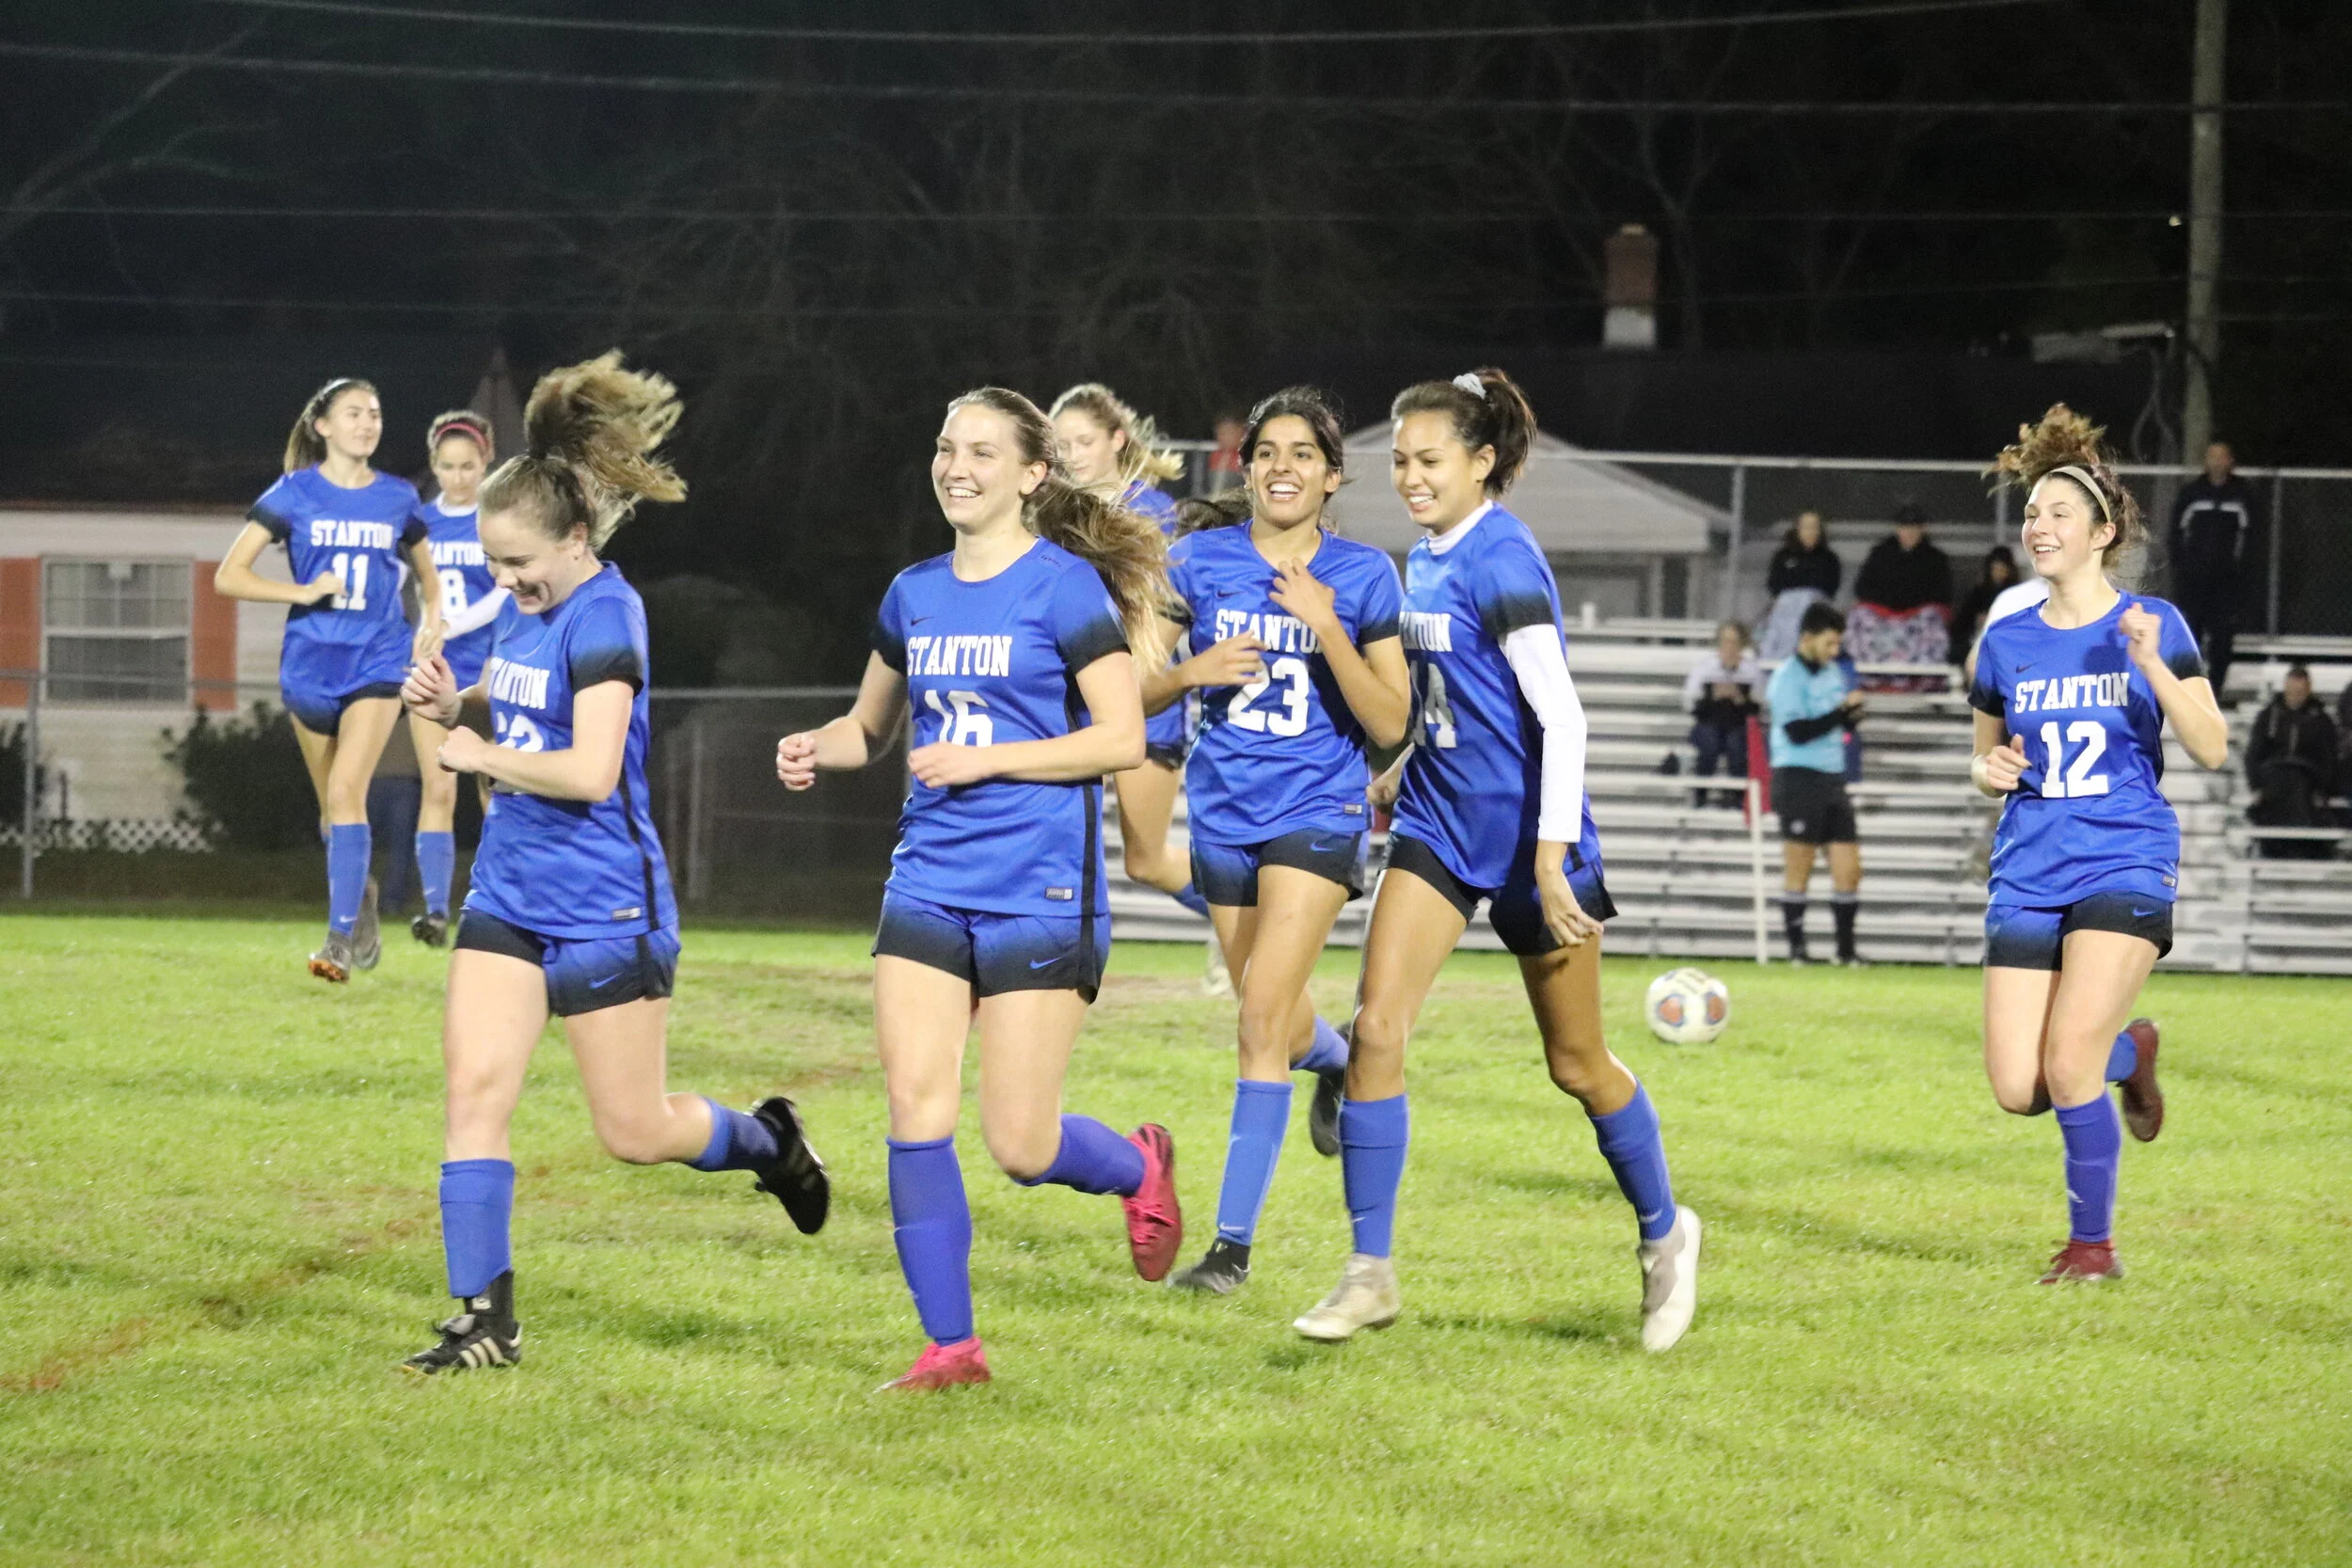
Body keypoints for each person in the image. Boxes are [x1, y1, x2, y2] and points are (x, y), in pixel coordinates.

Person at [396, 353, 829, 1375]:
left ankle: (769, 1141)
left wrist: (477, 753)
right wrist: (456, 704)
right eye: (494, 566)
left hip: (603, 905)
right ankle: (483, 1319)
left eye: (518, 565)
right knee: (474, 1089)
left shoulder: (608, 614)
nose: (505, 585)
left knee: (633, 1130)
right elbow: (518, 703)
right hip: (509, 890)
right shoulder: (526, 607)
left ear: (577, 537)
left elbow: (590, 769)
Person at [776, 387, 1184, 1391]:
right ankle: (951, 1346)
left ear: (1032, 475)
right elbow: (871, 729)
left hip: (1039, 890)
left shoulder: (1064, 590)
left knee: (1018, 1140)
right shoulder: (912, 591)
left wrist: (989, 757)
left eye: (982, 452)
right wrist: (814, 747)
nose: (956, 466)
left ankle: (1138, 1165)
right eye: (946, 446)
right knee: (915, 1108)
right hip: (927, 881)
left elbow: (1120, 738)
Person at [1291, 367, 1699, 1353]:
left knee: (1575, 1063)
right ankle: (1368, 1270)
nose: (1410, 477)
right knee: (1376, 1025)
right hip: (1437, 827)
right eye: (1398, 461)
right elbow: (1453, 698)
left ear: (1483, 460)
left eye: (1429, 459)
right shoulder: (1426, 557)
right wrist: (1396, 773)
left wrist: (1552, 859)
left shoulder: (1502, 557)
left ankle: (1664, 1233)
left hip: (1530, 842)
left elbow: (1562, 715)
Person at [1145, 388, 1409, 1297]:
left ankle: (1229, 1253)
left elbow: (1387, 721)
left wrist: (1327, 621)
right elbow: (1131, 694)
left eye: (1303, 452)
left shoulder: (1367, 571)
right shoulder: (1196, 562)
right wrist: (1189, 671)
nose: (1283, 465)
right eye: (1268, 452)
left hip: (1318, 812)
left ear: (1331, 476)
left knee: (1258, 1017)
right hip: (1221, 816)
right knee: (1279, 1015)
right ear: (1247, 467)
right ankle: (1333, 1059)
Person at [1972, 404, 2227, 1284]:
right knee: (2020, 1085)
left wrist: (2152, 663)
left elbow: (2212, 746)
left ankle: (2092, 1248)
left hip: (2123, 856)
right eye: (2032, 512)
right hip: (2029, 867)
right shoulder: (2004, 640)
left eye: (2057, 514)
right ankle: (2134, 1052)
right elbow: (1983, 755)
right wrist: (1988, 771)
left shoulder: (2156, 622)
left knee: (2067, 1060)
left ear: (2102, 532)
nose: (2038, 526)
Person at [214, 377, 444, 981]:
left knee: (348, 791)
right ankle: (360, 899)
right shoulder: (293, 494)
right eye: (353, 413)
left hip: (377, 659)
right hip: (312, 665)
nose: (368, 423)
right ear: (323, 426)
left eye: (375, 413)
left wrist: (435, 619)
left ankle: (337, 940)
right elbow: (229, 576)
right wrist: (302, 591)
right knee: (330, 811)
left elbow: (429, 575)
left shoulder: (398, 497)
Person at [1049, 382, 1232, 998]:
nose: (1072, 453)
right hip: (1068, 699)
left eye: (1084, 440)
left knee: (1146, 858)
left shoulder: (1151, 513)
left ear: (1117, 441)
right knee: (1050, 828)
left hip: (1142, 702)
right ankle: (1040, 960)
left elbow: (1158, 621)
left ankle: (1246, 921)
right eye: (1062, 442)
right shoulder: (1051, 514)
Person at [408, 410, 510, 945]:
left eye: (468, 465)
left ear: (485, 461)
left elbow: (501, 593)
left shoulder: (496, 520)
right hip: (434, 669)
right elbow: (405, 588)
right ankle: (434, 913)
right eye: (448, 466)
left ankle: (503, 902)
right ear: (434, 466)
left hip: (488, 670)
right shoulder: (419, 521)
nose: (459, 476)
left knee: (498, 788)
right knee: (438, 788)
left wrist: (450, 623)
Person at [1765, 601, 1866, 965]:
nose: (1834, 651)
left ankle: (1846, 953)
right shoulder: (1786, 677)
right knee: (1799, 866)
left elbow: (1837, 725)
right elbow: (1796, 732)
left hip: (1832, 777)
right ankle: (1797, 952)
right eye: (1829, 644)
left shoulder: (1832, 674)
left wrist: (1851, 716)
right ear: (1806, 638)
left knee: (1849, 868)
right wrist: (1840, 713)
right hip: (1797, 777)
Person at [2169, 439, 2258, 690]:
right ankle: (2188, 689)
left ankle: (2215, 691)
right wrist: (2183, 569)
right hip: (2194, 582)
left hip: (2227, 585)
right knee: (2190, 637)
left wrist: (2241, 574)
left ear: (2230, 461)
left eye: (2222, 457)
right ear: (2206, 461)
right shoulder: (2191, 493)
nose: (2217, 462)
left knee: (2222, 640)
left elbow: (2251, 539)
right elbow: (2176, 534)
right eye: (2212, 457)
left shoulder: (2242, 495)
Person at [2245, 665, 2339, 860]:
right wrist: (2255, 786)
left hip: (2307, 779)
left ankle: (2297, 846)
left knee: (2297, 785)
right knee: (2280, 786)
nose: (2295, 696)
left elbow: (2329, 758)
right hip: (2273, 777)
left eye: (2300, 692)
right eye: (2291, 691)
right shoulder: (2268, 717)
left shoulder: (2321, 720)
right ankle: (2276, 845)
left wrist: (2323, 789)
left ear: (2308, 690)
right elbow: (2254, 754)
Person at [1846, 502, 1953, 671]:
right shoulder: (1880, 554)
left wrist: (1911, 603)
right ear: (1897, 529)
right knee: (1859, 617)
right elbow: (1862, 588)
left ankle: (1925, 674)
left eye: (1914, 528)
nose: (1909, 533)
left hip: (1918, 617)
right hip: (1881, 615)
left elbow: (1943, 594)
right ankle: (1866, 671)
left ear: (1922, 529)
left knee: (1932, 620)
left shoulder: (1935, 559)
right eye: (1905, 527)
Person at [1681, 621, 1759, 808]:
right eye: (1725, 641)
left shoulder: (1752, 671)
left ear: (1742, 645)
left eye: (1734, 642)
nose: (1729, 647)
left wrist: (1740, 698)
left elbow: (1760, 706)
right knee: (1709, 742)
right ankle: (1700, 795)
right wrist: (1712, 696)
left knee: (1737, 744)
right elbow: (1689, 703)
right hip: (1708, 722)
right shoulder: (1704, 668)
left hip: (1737, 724)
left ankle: (1738, 798)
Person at [1756, 510, 1839, 661]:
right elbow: (1774, 586)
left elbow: (1830, 588)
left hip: (1815, 613)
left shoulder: (1829, 559)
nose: (1810, 532)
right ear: (1797, 530)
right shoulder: (1783, 556)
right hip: (1785, 612)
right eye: (1806, 527)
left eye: (1814, 527)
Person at [1949, 546, 2021, 664]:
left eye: (2002, 568)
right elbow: (1961, 625)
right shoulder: (1978, 594)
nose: (1998, 573)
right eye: (1995, 569)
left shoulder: (2016, 595)